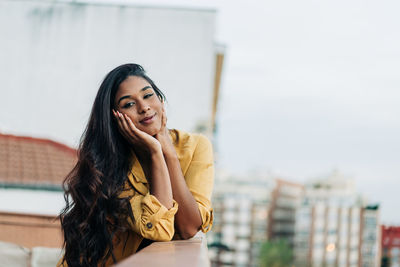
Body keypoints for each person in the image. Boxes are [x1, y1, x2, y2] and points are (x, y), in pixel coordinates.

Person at [58, 63, 214, 266]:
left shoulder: (195, 146)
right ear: (115, 118)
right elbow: (161, 228)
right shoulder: (108, 166)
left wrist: (170, 155)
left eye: (148, 95)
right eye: (128, 104)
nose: (144, 107)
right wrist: (156, 153)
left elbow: (188, 228)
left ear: (161, 100)